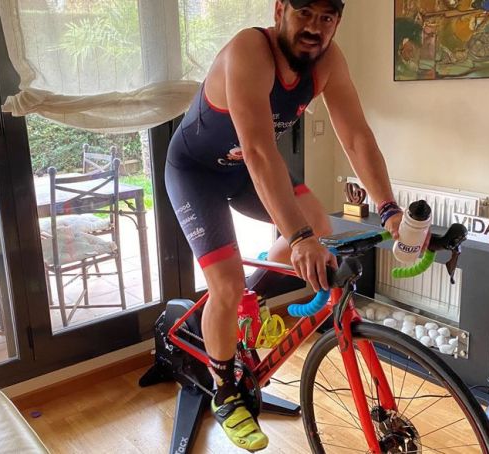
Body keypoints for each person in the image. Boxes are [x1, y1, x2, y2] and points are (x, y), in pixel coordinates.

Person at [164, 0, 404, 450]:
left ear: (338, 22)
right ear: (279, 10)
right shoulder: (249, 50)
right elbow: (259, 150)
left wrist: (389, 208)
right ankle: (225, 390)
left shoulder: (328, 61)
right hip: (197, 173)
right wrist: (298, 240)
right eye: (304, 12)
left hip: (245, 170)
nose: (314, 27)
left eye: (326, 18)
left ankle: (247, 301)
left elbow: (357, 136)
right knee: (226, 283)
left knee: (317, 221)